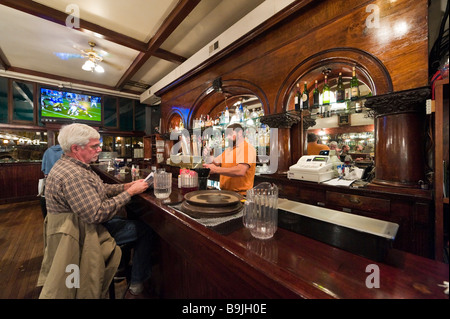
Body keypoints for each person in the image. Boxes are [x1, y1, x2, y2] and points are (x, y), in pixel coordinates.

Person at [42, 123, 153, 299]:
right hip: (82, 236)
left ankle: (120, 268)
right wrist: (130, 193)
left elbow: (100, 188)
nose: (99, 149)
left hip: (77, 227)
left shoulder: (73, 165)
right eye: (94, 146)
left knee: (126, 223)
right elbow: (96, 214)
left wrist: (126, 186)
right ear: (76, 148)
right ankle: (136, 287)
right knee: (144, 230)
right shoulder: (74, 175)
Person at [203, 123, 256, 195]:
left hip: (241, 195)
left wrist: (215, 169)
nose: (227, 137)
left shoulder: (247, 148)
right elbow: (216, 162)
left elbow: (240, 171)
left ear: (239, 133)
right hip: (226, 193)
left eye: (230, 134)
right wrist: (207, 155)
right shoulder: (229, 149)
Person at [40, 144, 64, 218]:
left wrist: (46, 173)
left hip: (50, 177)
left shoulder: (48, 151)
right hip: (63, 177)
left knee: (50, 198)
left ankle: (50, 216)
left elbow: (43, 167)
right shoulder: (66, 151)